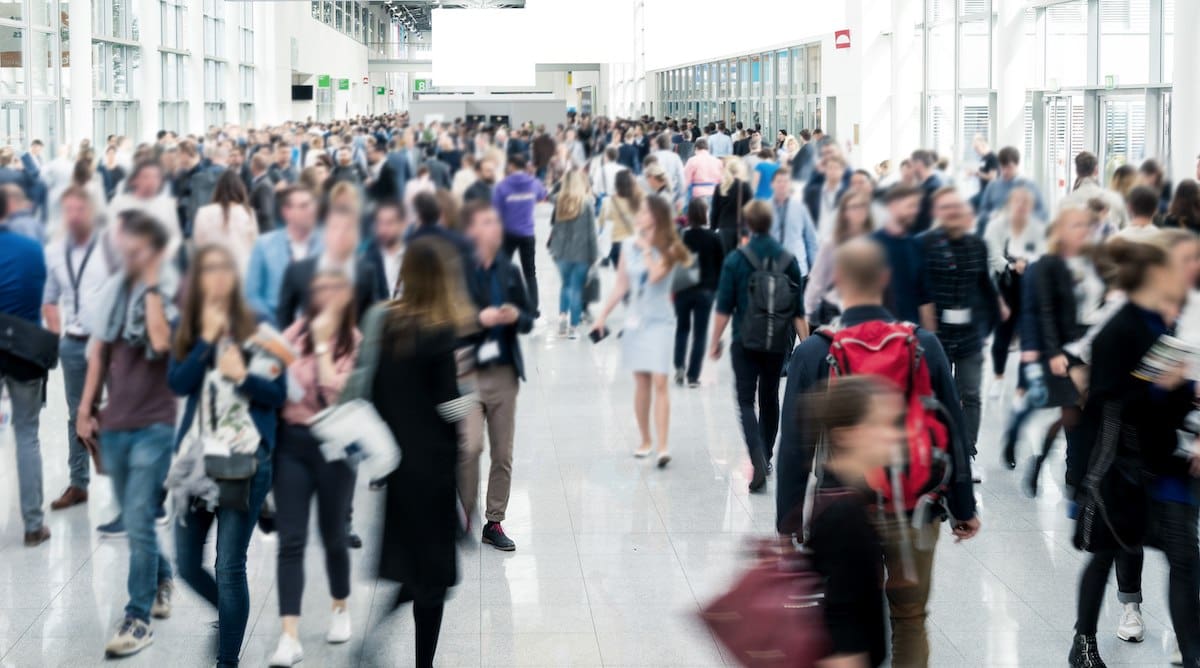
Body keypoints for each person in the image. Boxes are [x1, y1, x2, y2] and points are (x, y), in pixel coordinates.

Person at [775, 237, 980, 668]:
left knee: (847, 621)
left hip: (845, 510)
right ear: (886, 281)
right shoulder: (923, 344)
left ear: (835, 281)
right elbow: (953, 429)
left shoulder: (815, 351)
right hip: (917, 504)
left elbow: (794, 444)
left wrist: (788, 518)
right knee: (910, 618)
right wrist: (964, 505)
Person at [344, 238, 476, 668]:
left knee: (412, 561)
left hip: (398, 468)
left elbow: (375, 394)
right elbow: (447, 404)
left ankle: (379, 631)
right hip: (434, 472)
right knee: (433, 577)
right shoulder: (438, 331)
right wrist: (470, 396)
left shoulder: (388, 326)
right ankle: (423, 663)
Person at [1067, 237, 1199, 668]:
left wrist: (1182, 392)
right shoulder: (1120, 327)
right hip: (1119, 464)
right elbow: (1109, 399)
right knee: (1106, 554)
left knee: (1181, 556)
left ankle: (1190, 650)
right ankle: (1083, 642)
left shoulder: (1160, 324)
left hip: (1158, 462)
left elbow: (1167, 400)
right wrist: (1161, 384)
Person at [167, 244, 286, 668]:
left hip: (246, 460)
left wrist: (243, 376)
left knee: (230, 564)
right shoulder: (188, 326)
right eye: (207, 272)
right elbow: (178, 383)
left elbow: (278, 393)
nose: (215, 280)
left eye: (223, 271)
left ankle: (227, 661)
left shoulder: (259, 326)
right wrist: (205, 343)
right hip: (197, 460)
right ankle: (231, 616)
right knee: (185, 562)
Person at [77, 211, 178, 657]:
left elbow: (160, 342)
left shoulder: (174, 289)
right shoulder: (113, 292)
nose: (118, 251)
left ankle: (137, 618)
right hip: (117, 420)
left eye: (127, 244)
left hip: (157, 422)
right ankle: (163, 575)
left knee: (138, 516)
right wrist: (84, 408)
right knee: (137, 518)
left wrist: (152, 284)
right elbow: (99, 351)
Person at [267, 269, 362, 667]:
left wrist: (322, 349)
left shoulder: (353, 343)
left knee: (333, 535)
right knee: (290, 540)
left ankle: (340, 605)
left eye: (331, 292)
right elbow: (270, 374)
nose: (323, 298)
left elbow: (334, 392)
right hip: (291, 446)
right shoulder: (295, 333)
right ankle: (289, 635)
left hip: (334, 448)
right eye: (318, 291)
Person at [709, 200, 807, 492]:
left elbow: (724, 307)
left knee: (744, 401)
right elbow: (799, 309)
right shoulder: (788, 259)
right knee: (769, 397)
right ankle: (767, 456)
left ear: (748, 226)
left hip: (745, 341)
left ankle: (756, 454)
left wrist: (714, 341)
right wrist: (805, 343)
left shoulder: (737, 259)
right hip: (777, 341)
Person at [804, 376, 901, 668]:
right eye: (881, 425)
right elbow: (842, 617)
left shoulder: (845, 491)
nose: (894, 435)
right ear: (847, 434)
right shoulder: (845, 512)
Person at [591, 195, 691, 466]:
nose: (639, 215)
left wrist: (646, 248)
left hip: (661, 321)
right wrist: (602, 316)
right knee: (642, 382)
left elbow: (657, 275)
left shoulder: (670, 246)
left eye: (644, 211)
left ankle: (663, 446)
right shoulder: (627, 245)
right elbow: (621, 285)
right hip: (636, 320)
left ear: (656, 217)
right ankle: (645, 439)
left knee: (660, 380)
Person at [459, 200, 535, 550]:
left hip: (504, 372)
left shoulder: (508, 270)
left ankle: (495, 521)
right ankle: (464, 515)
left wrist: (512, 316)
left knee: (502, 452)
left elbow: (528, 317)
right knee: (470, 447)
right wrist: (480, 320)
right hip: (468, 370)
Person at [42, 186, 118, 514]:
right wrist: (59, 333)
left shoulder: (111, 246)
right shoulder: (56, 251)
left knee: (121, 411)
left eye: (79, 209)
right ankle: (78, 482)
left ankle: (126, 489)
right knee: (77, 413)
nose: (73, 216)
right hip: (73, 344)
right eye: (68, 210)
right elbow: (49, 297)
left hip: (111, 344)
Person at [920, 187, 1003, 457]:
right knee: (936, 393)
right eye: (947, 209)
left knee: (971, 394)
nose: (953, 214)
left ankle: (967, 452)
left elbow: (986, 288)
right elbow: (917, 290)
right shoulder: (925, 244)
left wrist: (986, 328)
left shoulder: (977, 245)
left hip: (970, 338)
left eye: (958, 209)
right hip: (936, 338)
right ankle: (937, 449)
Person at [0, 187, 49, 547]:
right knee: (27, 433)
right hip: (24, 347)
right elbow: (43, 297)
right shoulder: (33, 250)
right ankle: (33, 524)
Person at [278, 204, 381, 330]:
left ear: (357, 235)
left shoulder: (366, 272)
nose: (341, 234)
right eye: (335, 228)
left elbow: (370, 318)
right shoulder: (298, 271)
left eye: (348, 228)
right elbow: (284, 316)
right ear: (324, 233)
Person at [983, 187, 1045, 395]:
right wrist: (1011, 265)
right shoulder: (996, 226)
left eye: (1025, 203)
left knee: (1028, 334)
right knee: (1003, 332)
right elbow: (992, 254)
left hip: (1030, 285)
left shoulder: (1036, 227)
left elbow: (1042, 251)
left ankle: (1021, 387)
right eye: (1017, 202)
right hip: (1005, 284)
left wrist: (1028, 262)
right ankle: (998, 376)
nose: (1021, 207)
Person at [245, 186, 323, 326]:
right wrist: (275, 324)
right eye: (304, 206)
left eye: (312, 205)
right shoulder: (264, 245)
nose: (311, 211)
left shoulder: (326, 246)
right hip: (274, 328)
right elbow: (252, 294)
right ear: (287, 212)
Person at [804, 191, 875, 326]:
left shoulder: (875, 242)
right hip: (836, 308)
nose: (859, 211)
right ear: (844, 212)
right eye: (854, 207)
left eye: (862, 206)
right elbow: (817, 280)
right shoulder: (831, 243)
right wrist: (807, 311)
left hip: (868, 309)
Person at [674, 198, 723, 387]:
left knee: (682, 329)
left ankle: (679, 365)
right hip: (706, 291)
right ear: (705, 214)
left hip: (684, 289)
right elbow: (721, 264)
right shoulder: (713, 237)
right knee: (700, 333)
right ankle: (693, 376)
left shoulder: (682, 236)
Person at [872, 185, 936, 330]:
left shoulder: (916, 246)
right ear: (893, 205)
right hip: (879, 335)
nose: (916, 211)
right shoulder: (870, 246)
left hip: (911, 336)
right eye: (911, 205)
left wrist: (930, 339)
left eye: (917, 206)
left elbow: (925, 299)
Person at [492, 153, 546, 317]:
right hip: (528, 233)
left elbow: (495, 210)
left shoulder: (502, 186)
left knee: (503, 268)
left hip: (508, 234)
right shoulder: (534, 183)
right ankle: (533, 307)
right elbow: (542, 196)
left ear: (512, 166)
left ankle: (503, 302)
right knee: (530, 271)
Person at [548, 169, 598, 339]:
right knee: (577, 289)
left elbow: (549, 194)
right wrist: (595, 255)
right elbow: (592, 232)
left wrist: (561, 183)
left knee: (565, 285)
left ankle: (562, 317)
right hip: (582, 252)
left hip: (561, 252)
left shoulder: (559, 200)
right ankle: (573, 327)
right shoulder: (587, 203)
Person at [108, 160, 183, 259]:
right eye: (146, 177)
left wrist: (165, 253)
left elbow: (175, 236)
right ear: (134, 180)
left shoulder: (167, 203)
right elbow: (109, 234)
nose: (152, 181)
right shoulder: (119, 203)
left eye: (156, 177)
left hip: (160, 262)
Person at [192, 169, 258, 275]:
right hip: (241, 271)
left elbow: (199, 245)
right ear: (240, 189)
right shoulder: (249, 213)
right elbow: (254, 245)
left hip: (211, 271)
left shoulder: (203, 212)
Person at [975, 146, 1046, 237]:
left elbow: (1043, 213)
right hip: (997, 233)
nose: (1004, 172)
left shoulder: (1030, 186)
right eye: (1002, 167)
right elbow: (983, 211)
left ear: (1017, 165)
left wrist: (1023, 217)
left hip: (1022, 235)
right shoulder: (993, 186)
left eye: (1009, 167)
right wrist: (991, 216)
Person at [767, 168, 819, 279]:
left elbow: (811, 240)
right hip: (771, 267)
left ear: (790, 185)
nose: (782, 185)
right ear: (772, 184)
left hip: (797, 266)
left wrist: (813, 267)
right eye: (779, 181)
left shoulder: (800, 208)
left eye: (786, 181)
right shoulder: (764, 208)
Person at [1060, 151, 1129, 230]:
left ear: (1076, 172)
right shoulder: (1115, 199)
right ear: (1096, 170)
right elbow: (1126, 232)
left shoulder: (1065, 203)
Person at [361, 200, 409, 301]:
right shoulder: (367, 260)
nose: (383, 229)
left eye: (389, 223)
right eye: (380, 223)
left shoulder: (413, 256)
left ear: (403, 224)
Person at [597, 169, 642, 267]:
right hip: (632, 244)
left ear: (616, 183)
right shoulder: (637, 202)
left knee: (620, 275)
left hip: (615, 244)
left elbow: (601, 223)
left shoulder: (607, 201)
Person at [709, 157, 753, 253]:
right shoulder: (745, 186)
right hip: (741, 230)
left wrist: (712, 230)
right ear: (741, 171)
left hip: (723, 230)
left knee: (724, 260)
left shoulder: (720, 187)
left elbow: (714, 212)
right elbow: (751, 212)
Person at [804, 152, 848, 243]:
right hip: (816, 242)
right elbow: (806, 218)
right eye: (830, 168)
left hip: (838, 243)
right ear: (825, 170)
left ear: (843, 171)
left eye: (836, 168)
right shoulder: (813, 193)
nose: (833, 171)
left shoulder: (847, 194)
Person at [910, 150, 944, 235]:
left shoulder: (932, 188)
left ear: (919, 164)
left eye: (912, 165)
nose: (911, 169)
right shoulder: (926, 185)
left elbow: (924, 221)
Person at [683, 137, 723, 207]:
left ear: (696, 148)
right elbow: (722, 180)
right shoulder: (717, 161)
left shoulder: (692, 160)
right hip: (714, 193)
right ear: (708, 149)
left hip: (697, 195)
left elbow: (686, 180)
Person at [651, 131, 686, 205]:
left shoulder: (653, 157)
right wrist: (681, 196)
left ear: (657, 144)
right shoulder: (675, 157)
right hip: (672, 193)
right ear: (669, 144)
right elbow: (681, 177)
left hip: (656, 193)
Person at [248, 152, 278, 233]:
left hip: (263, 230)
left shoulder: (264, 185)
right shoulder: (261, 182)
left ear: (254, 166)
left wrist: (248, 212)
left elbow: (266, 212)